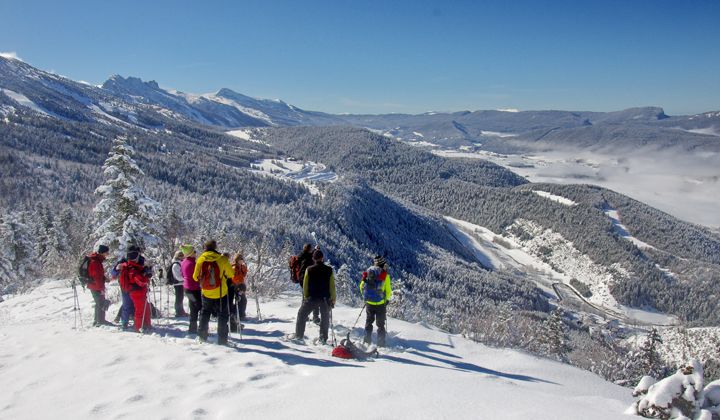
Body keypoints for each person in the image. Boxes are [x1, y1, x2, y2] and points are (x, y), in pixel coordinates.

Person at [193, 240, 235, 345]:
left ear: (205, 248)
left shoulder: (200, 259)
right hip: (221, 292)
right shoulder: (222, 259)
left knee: (205, 313)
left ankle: (202, 337)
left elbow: (195, 277)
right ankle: (222, 340)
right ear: (215, 247)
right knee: (222, 315)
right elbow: (231, 274)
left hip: (206, 292)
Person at [294, 249, 336, 344]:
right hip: (325, 299)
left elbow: (305, 285)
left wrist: (306, 297)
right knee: (325, 318)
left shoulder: (309, 269)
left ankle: (299, 336)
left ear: (313, 258)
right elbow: (332, 286)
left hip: (312, 298)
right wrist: (333, 299)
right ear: (322, 258)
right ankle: (323, 339)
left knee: (302, 314)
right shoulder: (329, 270)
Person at [360, 256, 393, 347]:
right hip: (380, 303)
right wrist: (386, 300)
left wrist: (366, 297)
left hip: (369, 303)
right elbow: (388, 290)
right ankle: (381, 344)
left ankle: (367, 341)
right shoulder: (385, 275)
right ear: (383, 264)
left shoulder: (368, 272)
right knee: (380, 325)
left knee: (369, 321)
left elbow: (361, 286)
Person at [118, 248, 152, 333]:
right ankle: (138, 327)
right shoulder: (133, 269)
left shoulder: (133, 267)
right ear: (135, 258)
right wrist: (146, 276)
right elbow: (141, 282)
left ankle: (146, 325)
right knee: (140, 310)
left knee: (146, 308)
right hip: (137, 292)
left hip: (138, 292)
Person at [87, 244, 113, 327]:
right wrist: (101, 288)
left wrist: (104, 278)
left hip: (94, 285)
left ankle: (98, 320)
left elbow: (98, 275)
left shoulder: (96, 260)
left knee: (99, 303)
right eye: (106, 252)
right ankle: (100, 321)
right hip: (96, 286)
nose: (107, 254)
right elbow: (96, 277)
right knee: (100, 303)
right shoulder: (96, 262)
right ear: (102, 253)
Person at [297, 244, 320, 324]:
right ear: (309, 250)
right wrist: (316, 250)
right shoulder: (309, 258)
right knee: (315, 297)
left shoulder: (301, 256)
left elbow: (310, 255)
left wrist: (315, 250)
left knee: (305, 297)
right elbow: (313, 257)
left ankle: (304, 315)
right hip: (309, 279)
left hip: (301, 279)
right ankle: (315, 317)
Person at [180, 244, 200, 335]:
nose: (196, 253)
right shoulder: (193, 264)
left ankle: (192, 328)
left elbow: (182, 274)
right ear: (191, 253)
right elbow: (197, 277)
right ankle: (199, 329)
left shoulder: (183, 262)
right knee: (198, 307)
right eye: (194, 251)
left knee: (193, 308)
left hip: (187, 288)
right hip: (194, 289)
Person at [229, 252, 249, 329]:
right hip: (236, 286)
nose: (242, 260)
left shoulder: (241, 267)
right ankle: (239, 314)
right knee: (242, 300)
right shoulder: (234, 267)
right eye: (241, 259)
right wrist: (238, 284)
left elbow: (244, 275)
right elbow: (234, 278)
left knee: (242, 300)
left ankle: (239, 314)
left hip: (240, 285)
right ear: (237, 260)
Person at [169, 251, 187, 317]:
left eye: (182, 255)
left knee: (180, 298)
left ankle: (181, 311)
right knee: (179, 298)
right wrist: (185, 278)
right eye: (180, 255)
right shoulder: (175, 265)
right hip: (178, 284)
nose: (182, 256)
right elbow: (178, 277)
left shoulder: (180, 263)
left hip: (181, 283)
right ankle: (179, 312)